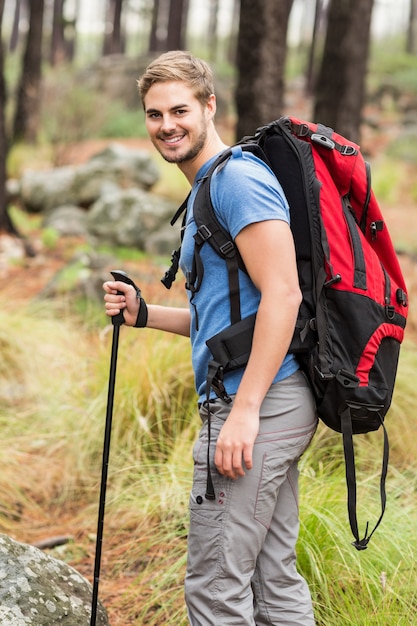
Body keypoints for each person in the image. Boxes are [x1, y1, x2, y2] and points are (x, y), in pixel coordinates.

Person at [103, 50, 317, 626]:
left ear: (209, 106)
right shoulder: (210, 187)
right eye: (154, 115)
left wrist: (244, 411)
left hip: (257, 407)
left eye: (179, 110)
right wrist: (146, 314)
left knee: (216, 588)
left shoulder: (237, 182)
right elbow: (229, 318)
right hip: (272, 399)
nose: (167, 125)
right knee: (273, 579)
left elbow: (284, 295)